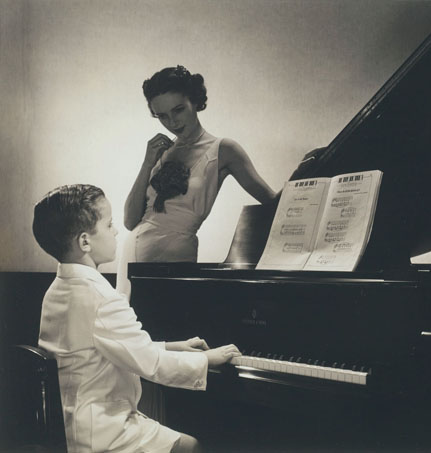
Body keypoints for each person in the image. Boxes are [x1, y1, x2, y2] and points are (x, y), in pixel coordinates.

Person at [33, 184, 241, 453]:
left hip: (70, 423)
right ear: (85, 242)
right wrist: (205, 360)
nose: (117, 231)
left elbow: (117, 346)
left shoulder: (58, 289)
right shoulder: (101, 297)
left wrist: (172, 346)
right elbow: (151, 364)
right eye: (109, 225)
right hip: (101, 432)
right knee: (192, 447)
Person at [117, 65, 276, 298]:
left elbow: (272, 202)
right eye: (162, 116)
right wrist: (147, 163)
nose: (172, 122)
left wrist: (304, 176)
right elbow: (130, 221)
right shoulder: (162, 151)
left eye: (178, 110)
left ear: (195, 101)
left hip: (175, 257)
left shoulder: (224, 149)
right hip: (133, 255)